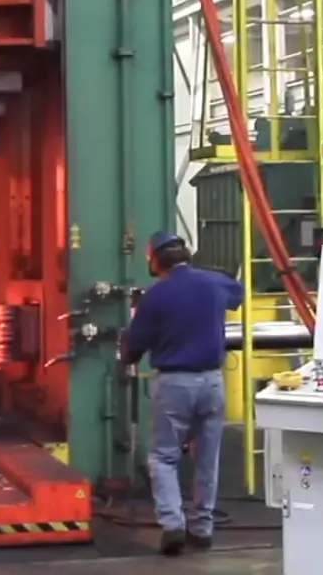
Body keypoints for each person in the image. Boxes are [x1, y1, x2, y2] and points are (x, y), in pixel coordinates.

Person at [120, 231, 244, 557]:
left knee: (164, 457)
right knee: (206, 458)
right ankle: (202, 529)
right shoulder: (214, 282)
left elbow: (135, 343)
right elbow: (238, 295)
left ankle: (173, 525)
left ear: (156, 260)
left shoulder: (157, 296)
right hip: (212, 382)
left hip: (175, 383)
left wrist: (125, 358)